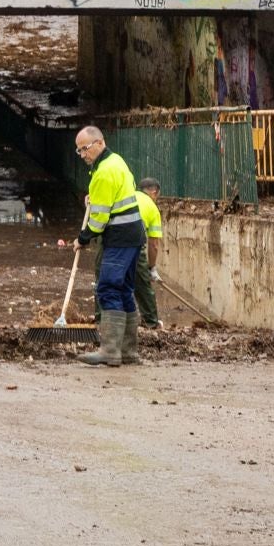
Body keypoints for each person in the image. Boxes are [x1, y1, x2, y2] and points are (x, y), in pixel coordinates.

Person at [73, 126, 146, 367]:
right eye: (79, 150)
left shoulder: (103, 173)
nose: (82, 154)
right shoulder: (116, 161)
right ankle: (128, 352)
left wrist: (82, 238)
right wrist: (94, 198)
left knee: (108, 288)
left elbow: (99, 220)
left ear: (99, 143)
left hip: (119, 237)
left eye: (84, 149)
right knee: (124, 289)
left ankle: (110, 351)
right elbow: (119, 192)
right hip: (134, 234)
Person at [134, 177, 165, 331]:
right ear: (154, 192)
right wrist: (151, 268)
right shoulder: (152, 208)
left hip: (112, 240)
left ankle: (102, 319)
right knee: (142, 284)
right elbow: (154, 244)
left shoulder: (128, 196)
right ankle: (151, 322)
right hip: (133, 243)